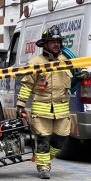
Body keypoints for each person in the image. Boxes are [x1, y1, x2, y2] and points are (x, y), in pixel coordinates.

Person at [16, 25, 88, 179]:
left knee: (61, 139)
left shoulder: (67, 61)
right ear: (45, 44)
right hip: (41, 110)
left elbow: (73, 80)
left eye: (58, 41)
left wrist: (80, 76)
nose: (56, 44)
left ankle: (45, 159)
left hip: (62, 109)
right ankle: (43, 168)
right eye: (52, 41)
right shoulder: (35, 62)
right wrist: (20, 104)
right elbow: (27, 85)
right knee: (43, 139)